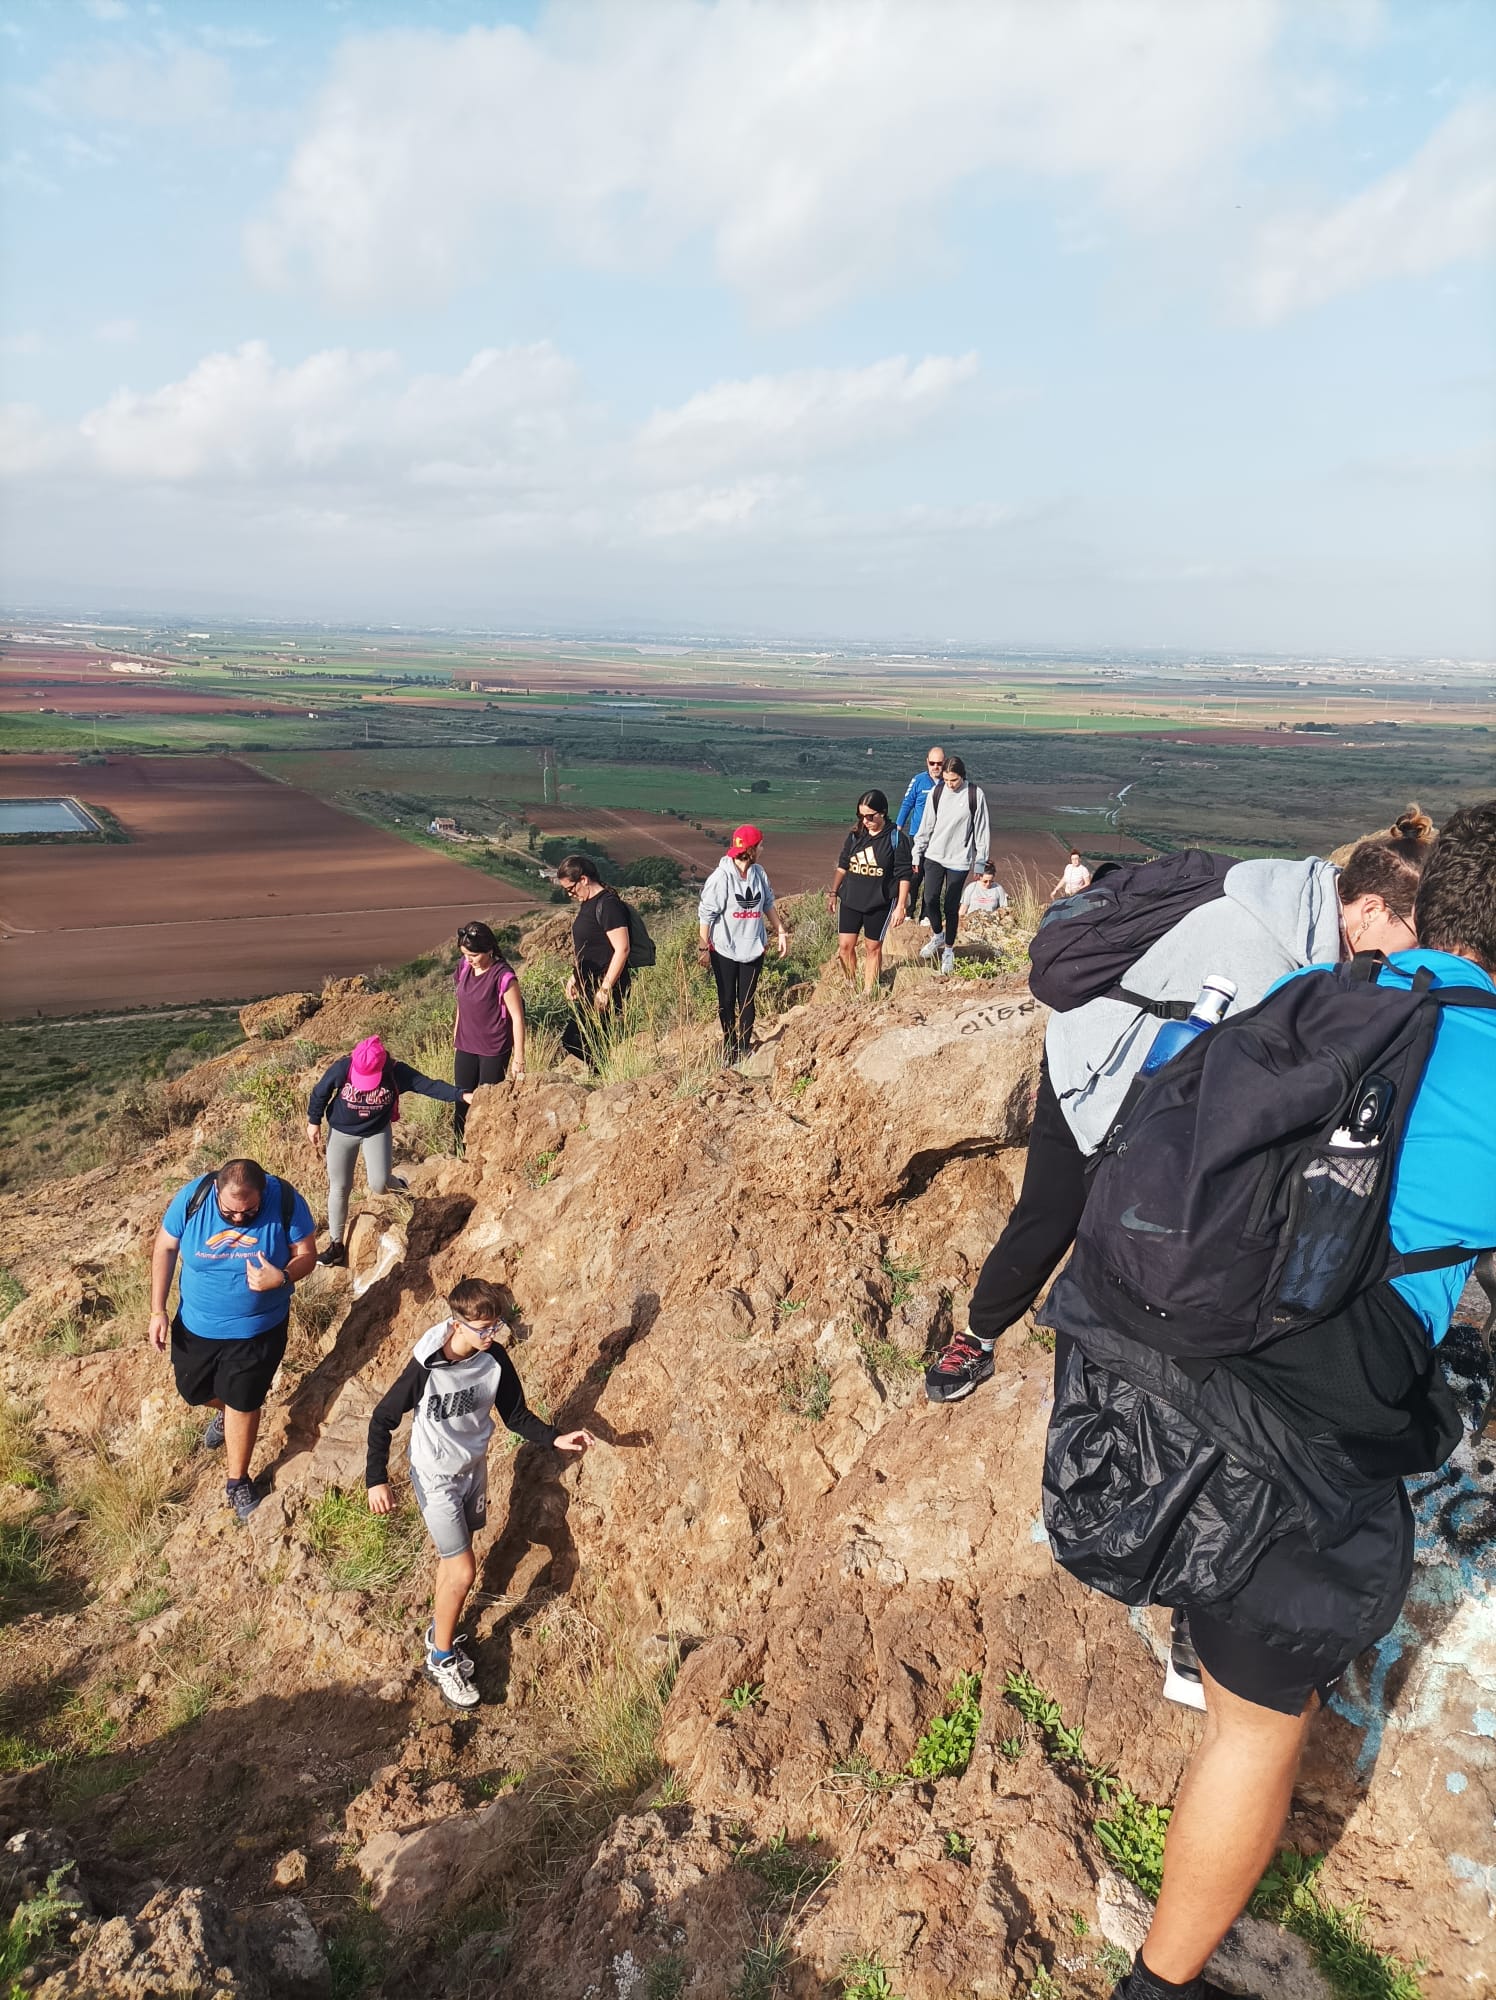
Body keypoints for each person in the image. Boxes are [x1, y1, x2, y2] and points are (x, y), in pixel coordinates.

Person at [1041, 799, 1496, 2000]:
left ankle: (1191, 1606)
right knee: (1256, 1724)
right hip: (1294, 1427)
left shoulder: (1303, 994)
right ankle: (1159, 1983)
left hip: (1126, 1344)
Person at [925, 810, 1440, 1403]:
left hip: (1154, 1073)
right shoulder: (1261, 948)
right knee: (1057, 1215)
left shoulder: (1307, 902)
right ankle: (982, 1335)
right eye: (1414, 934)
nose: (1415, 954)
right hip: (1101, 1069)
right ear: (1371, 909)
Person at [365, 1276, 597, 1709]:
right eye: (484, 1329)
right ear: (457, 1325)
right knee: (464, 1570)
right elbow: (382, 1418)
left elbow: (514, 1414)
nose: (492, 1336)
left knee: (455, 1562)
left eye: (497, 1328)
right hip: (435, 1477)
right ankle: (440, 1657)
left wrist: (554, 1438)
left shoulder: (495, 1360)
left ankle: (441, 1628)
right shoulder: (427, 1364)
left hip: (473, 1468)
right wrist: (375, 1478)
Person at [148, 1158, 317, 1521]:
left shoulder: (285, 1199)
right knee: (192, 1391)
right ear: (217, 1194)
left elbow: (307, 1254)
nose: (239, 1219)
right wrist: (157, 1310)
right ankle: (227, 1413)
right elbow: (164, 1248)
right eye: (230, 1211)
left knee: (243, 1399)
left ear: (263, 1194)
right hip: (196, 1325)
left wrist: (283, 1277)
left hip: (257, 1329)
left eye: (249, 1211)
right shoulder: (193, 1198)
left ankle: (237, 1480)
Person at [305, 1035, 471, 1267]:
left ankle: (402, 1190)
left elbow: (429, 1086)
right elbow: (320, 1092)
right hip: (342, 1131)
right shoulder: (343, 1067)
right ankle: (335, 1245)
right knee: (340, 1186)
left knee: (379, 1183)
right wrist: (314, 1122)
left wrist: (461, 1094)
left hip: (376, 1131)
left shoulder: (395, 1072)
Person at [697, 824, 790, 1064]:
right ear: (751, 849)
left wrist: (780, 931)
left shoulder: (759, 873)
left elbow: (767, 903)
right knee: (726, 999)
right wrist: (703, 947)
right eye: (760, 845)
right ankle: (729, 1046)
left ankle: (744, 1047)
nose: (763, 848)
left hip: (753, 947)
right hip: (724, 948)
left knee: (747, 999)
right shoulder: (721, 877)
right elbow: (706, 914)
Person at [912, 754, 991, 975]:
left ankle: (948, 950)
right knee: (929, 899)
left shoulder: (975, 794)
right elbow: (926, 826)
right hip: (934, 855)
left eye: (953, 780)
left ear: (962, 776)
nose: (949, 784)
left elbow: (982, 830)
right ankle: (937, 935)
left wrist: (980, 862)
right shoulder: (937, 793)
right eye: (946, 780)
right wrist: (916, 853)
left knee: (951, 906)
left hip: (960, 859)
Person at [828, 790, 913, 994]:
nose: (865, 821)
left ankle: (868, 992)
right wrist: (833, 892)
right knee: (845, 947)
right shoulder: (855, 835)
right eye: (861, 816)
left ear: (882, 813)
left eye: (869, 816)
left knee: (872, 948)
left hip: (879, 902)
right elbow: (843, 865)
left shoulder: (896, 839)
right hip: (850, 898)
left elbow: (904, 874)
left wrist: (900, 906)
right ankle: (851, 984)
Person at [453, 921, 526, 1142]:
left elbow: (518, 1018)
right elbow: (461, 1002)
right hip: (466, 1045)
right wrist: (456, 1032)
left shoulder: (503, 977)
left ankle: (484, 1147)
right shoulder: (464, 968)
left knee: (487, 1102)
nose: (469, 959)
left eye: (473, 955)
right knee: (462, 1099)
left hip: (493, 1050)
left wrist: (519, 1058)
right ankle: (458, 1147)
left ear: (489, 950)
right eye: (465, 954)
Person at [557, 854, 632, 1063]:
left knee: (578, 1039)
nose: (571, 894)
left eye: (571, 889)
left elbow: (622, 948)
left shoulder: (608, 905)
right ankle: (602, 1074)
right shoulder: (588, 902)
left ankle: (605, 1076)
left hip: (603, 986)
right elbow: (591, 946)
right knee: (587, 1040)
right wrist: (575, 976)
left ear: (583, 879)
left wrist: (606, 989)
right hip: (589, 985)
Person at [894, 746, 946, 925]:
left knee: (932, 879)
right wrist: (898, 828)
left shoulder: (949, 782)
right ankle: (909, 912)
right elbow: (907, 803)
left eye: (939, 763)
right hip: (916, 837)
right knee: (914, 876)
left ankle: (926, 915)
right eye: (932, 763)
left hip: (939, 840)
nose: (936, 767)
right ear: (927, 762)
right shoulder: (918, 780)